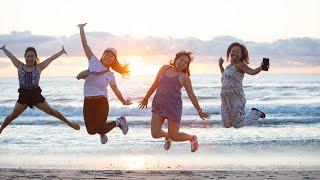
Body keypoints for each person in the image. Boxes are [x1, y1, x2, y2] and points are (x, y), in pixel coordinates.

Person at [139, 51, 209, 152]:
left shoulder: (184, 77)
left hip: (173, 108)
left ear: (186, 66)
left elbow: (191, 95)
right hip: (159, 104)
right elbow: (155, 84)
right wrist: (146, 98)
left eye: (185, 63)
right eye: (181, 60)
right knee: (154, 134)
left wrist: (199, 110)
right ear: (176, 59)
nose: (182, 63)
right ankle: (167, 136)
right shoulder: (164, 68)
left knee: (175, 136)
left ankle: (191, 138)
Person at [0, 45, 80, 134]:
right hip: (24, 95)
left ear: (35, 58)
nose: (30, 58)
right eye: (28, 56)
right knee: (12, 115)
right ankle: (0, 129)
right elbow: (11, 56)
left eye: (32, 56)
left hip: (36, 95)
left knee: (52, 111)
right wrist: (4, 49)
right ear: (25, 57)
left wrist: (61, 52)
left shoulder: (39, 67)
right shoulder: (19, 66)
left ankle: (70, 123)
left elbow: (50, 59)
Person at [77, 23, 131, 144]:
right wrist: (81, 29)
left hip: (101, 102)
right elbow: (85, 45)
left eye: (112, 56)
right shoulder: (93, 61)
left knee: (100, 127)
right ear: (103, 55)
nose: (108, 56)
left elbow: (116, 90)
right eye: (107, 54)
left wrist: (123, 101)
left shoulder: (110, 75)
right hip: (88, 101)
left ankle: (119, 121)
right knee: (91, 130)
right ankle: (102, 132)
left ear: (113, 60)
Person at [219, 42, 268, 128]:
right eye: (233, 51)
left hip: (236, 96)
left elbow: (252, 72)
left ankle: (255, 113)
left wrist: (261, 67)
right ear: (229, 53)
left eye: (238, 52)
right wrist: (220, 65)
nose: (235, 53)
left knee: (237, 124)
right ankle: (246, 115)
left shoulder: (241, 65)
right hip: (225, 97)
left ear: (241, 55)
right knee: (226, 124)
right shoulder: (228, 67)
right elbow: (225, 75)